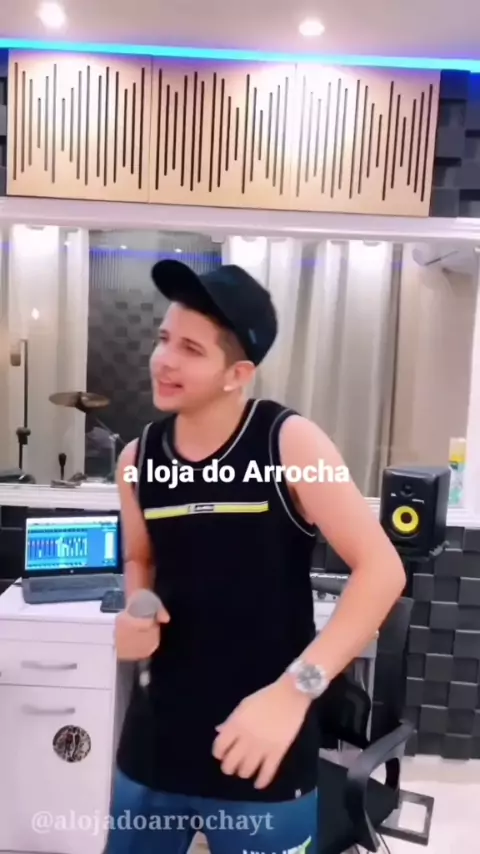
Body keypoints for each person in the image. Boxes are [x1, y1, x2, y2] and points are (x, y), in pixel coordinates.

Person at [105, 260, 406, 854]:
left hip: (266, 747)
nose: (163, 360)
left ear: (237, 373)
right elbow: (142, 557)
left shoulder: (289, 443)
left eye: (191, 349)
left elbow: (382, 571)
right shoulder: (138, 459)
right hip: (154, 745)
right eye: (164, 339)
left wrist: (295, 692)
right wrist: (138, 604)